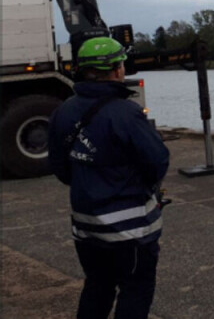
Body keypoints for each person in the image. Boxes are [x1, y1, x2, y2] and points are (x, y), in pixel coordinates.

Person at [48, 36, 170, 319]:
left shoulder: (63, 111)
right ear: (117, 69)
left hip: (86, 226)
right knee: (136, 287)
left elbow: (60, 167)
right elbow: (158, 161)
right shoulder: (127, 113)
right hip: (131, 230)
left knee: (97, 287)